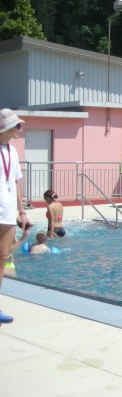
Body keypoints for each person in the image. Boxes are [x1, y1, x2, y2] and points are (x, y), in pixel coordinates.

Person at [0, 109, 31, 325]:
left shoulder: (12, 150)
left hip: (8, 213)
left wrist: (21, 211)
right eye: (17, 126)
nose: (20, 129)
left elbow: (17, 184)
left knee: (2, 259)